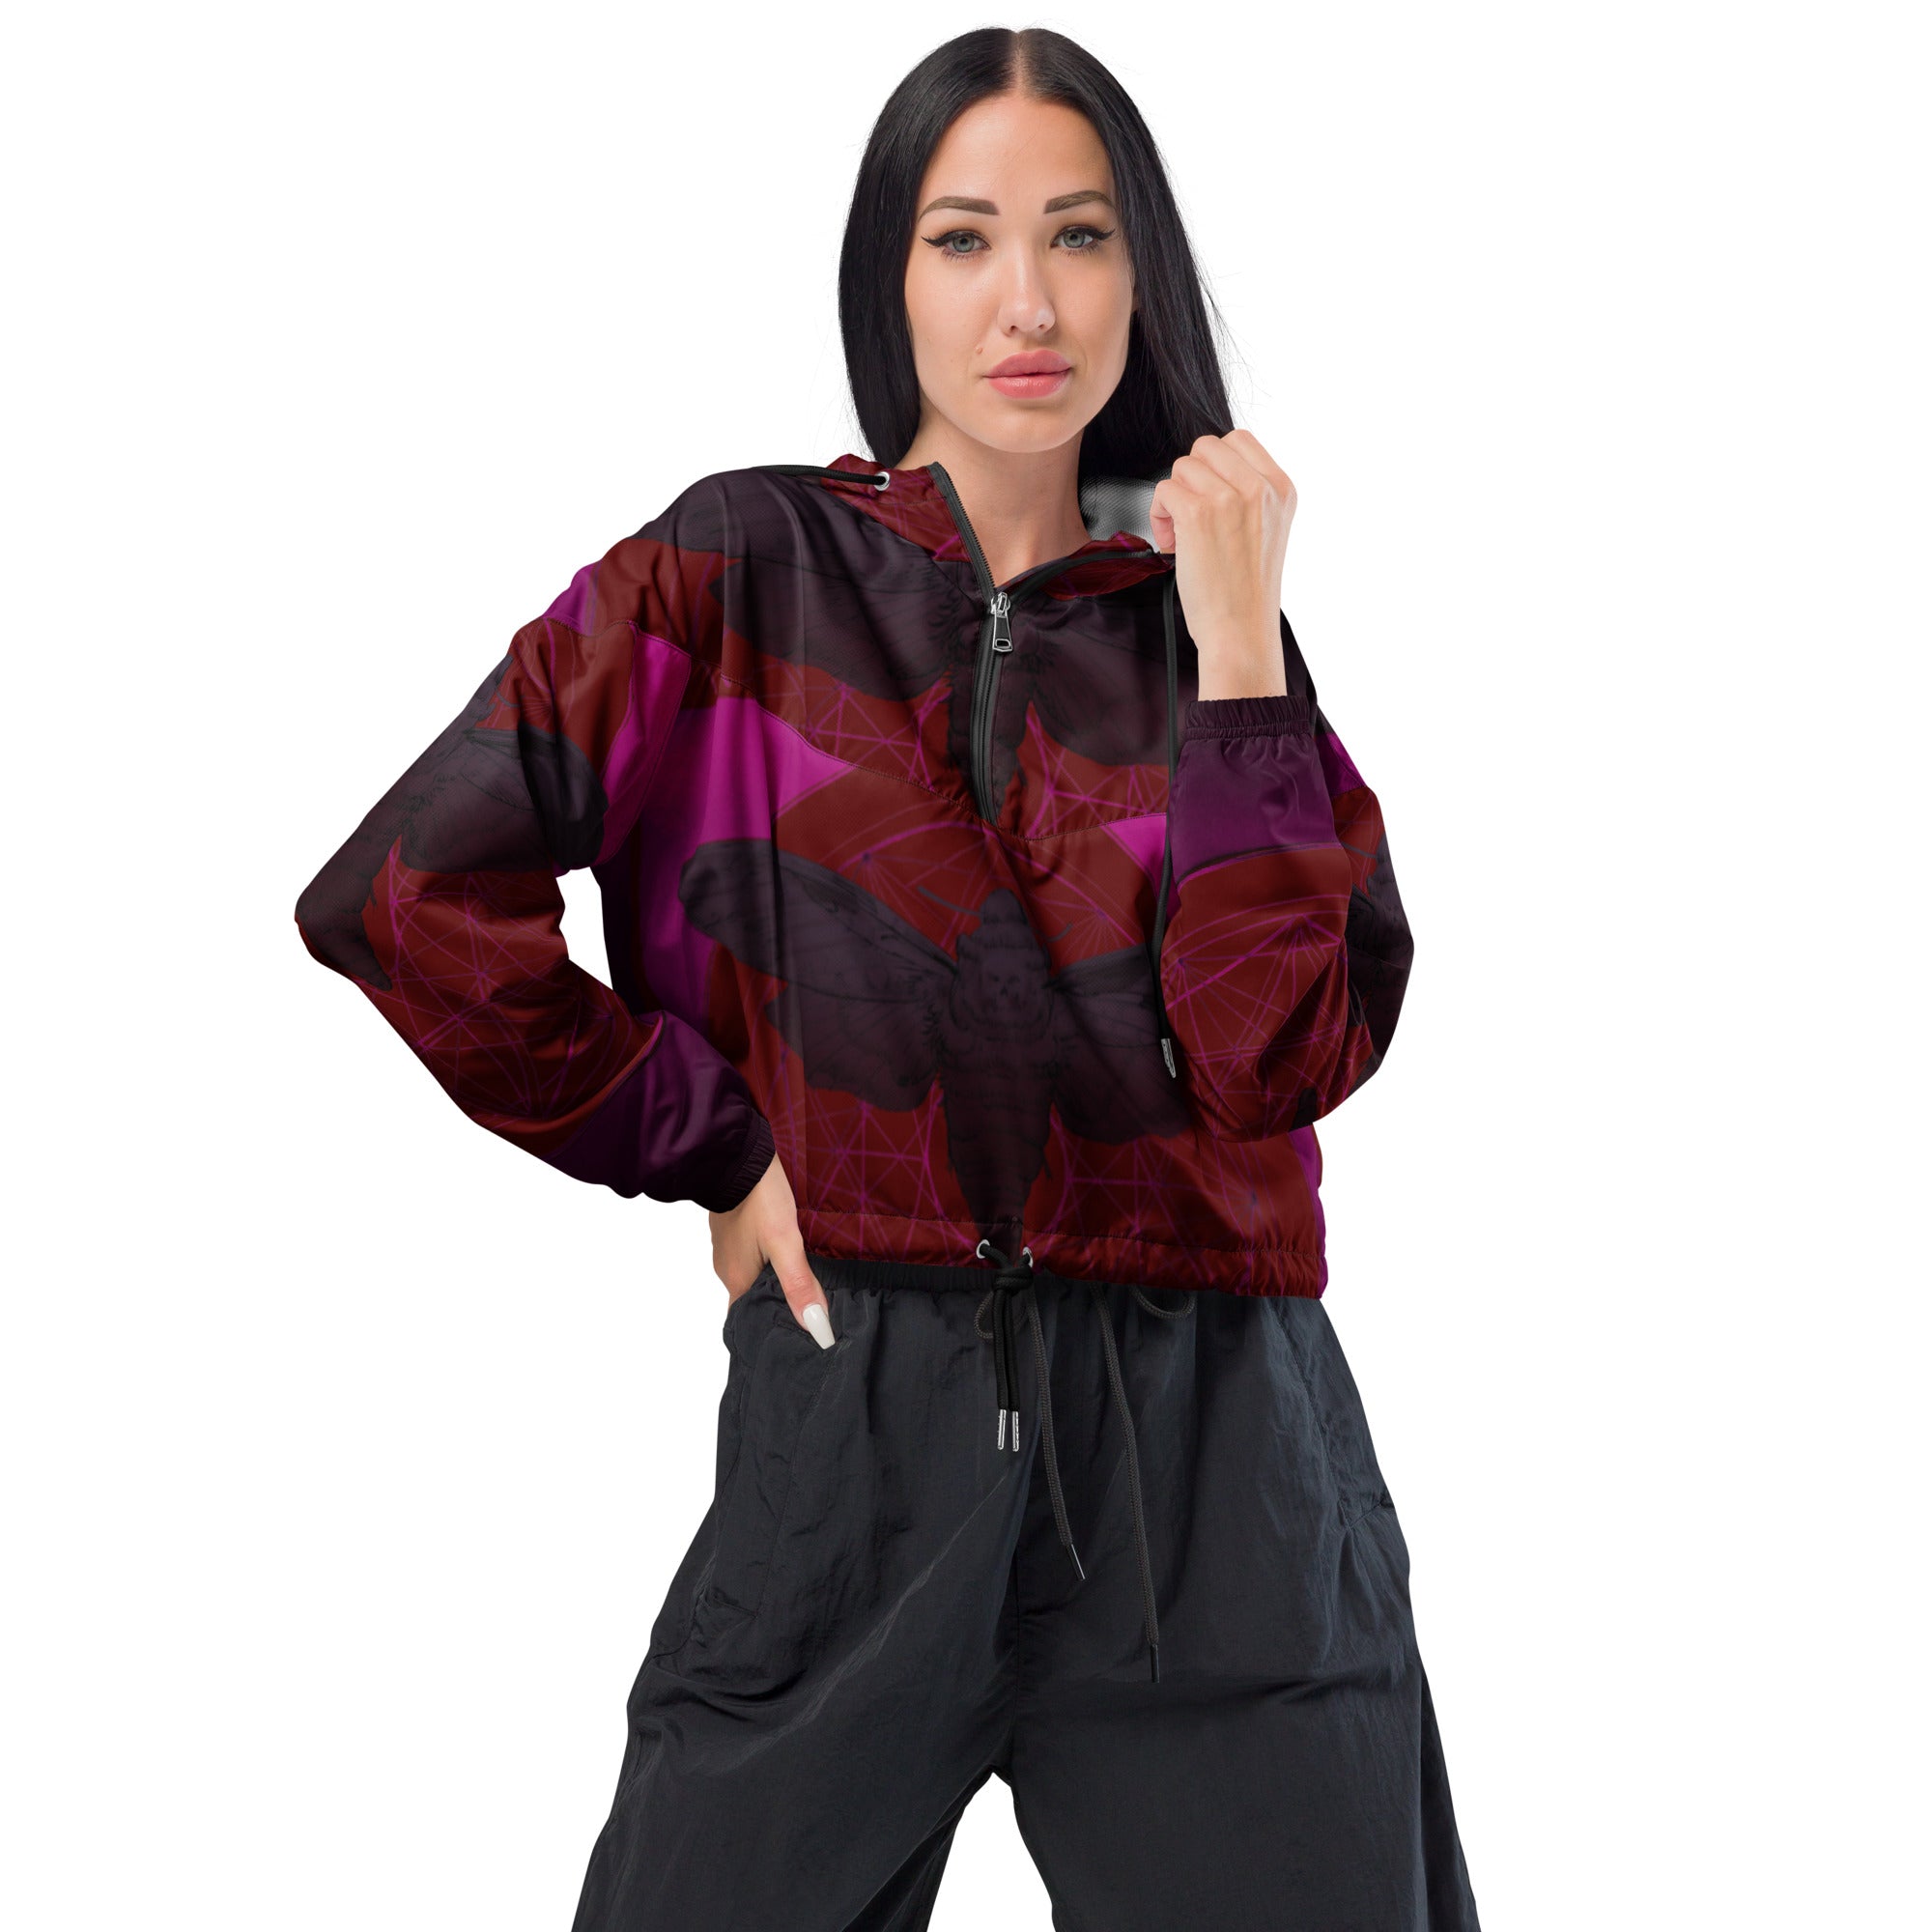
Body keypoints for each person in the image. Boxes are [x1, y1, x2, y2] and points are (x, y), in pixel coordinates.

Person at [294, 25, 1482, 1931]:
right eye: (964, 237)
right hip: (858, 1428)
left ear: (1141, 276)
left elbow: (1272, 1059)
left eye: (1080, 236)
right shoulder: (734, 572)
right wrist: (699, 1138)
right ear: (889, 276)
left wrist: (1242, 644)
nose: (1030, 301)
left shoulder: (1215, 638)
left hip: (1220, 1458)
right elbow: (409, 893)